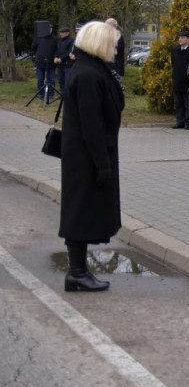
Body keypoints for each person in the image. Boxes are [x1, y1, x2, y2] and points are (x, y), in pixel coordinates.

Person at [59, 20, 125, 292]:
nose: (117, 49)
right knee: (79, 211)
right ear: (100, 43)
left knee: (83, 210)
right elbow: (91, 124)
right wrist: (102, 163)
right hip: (86, 156)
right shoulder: (88, 74)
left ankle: (79, 271)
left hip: (87, 153)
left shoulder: (93, 69)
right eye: (113, 44)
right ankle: (76, 273)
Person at [170, 30, 189, 129]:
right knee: (178, 103)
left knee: (188, 103)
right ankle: (179, 122)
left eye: (183, 37)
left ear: (188, 39)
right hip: (177, 80)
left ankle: (188, 122)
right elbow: (173, 64)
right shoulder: (174, 50)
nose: (180, 39)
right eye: (179, 37)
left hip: (187, 82)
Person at [30, 23, 58, 101]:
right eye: (48, 28)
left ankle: (51, 94)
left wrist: (55, 57)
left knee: (51, 79)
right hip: (40, 62)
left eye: (51, 29)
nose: (49, 30)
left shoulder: (55, 39)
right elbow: (33, 47)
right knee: (40, 79)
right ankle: (41, 94)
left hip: (51, 62)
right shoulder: (39, 38)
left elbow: (57, 50)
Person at [54, 26, 74, 93]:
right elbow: (56, 50)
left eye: (62, 32)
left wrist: (61, 59)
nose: (61, 34)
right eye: (60, 32)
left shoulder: (71, 41)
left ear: (67, 33)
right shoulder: (59, 40)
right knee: (61, 80)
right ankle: (62, 93)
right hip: (60, 65)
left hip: (68, 64)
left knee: (67, 80)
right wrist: (55, 57)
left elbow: (69, 52)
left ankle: (68, 94)